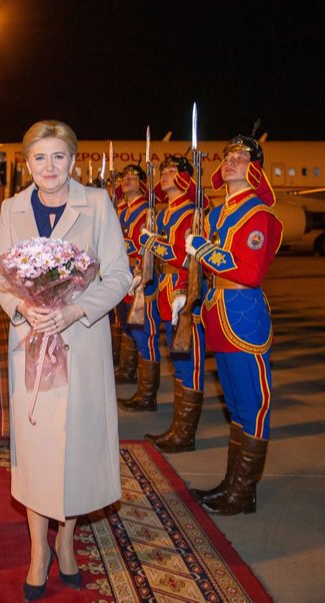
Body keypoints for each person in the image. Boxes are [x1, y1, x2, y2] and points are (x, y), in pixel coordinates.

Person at [0, 120, 130, 599]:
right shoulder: (12, 208)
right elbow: (1, 277)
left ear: (73, 161)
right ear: (27, 163)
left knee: (74, 452)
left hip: (80, 346)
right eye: (39, 158)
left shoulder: (97, 204)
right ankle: (38, 550)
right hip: (31, 345)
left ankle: (67, 541)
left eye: (58, 157)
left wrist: (73, 310)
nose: (49, 168)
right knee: (35, 453)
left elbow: (118, 277)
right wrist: (23, 307)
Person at [186, 135, 281, 514]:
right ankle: (234, 486)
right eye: (227, 156)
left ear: (255, 168)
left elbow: (251, 270)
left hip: (243, 314)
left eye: (241, 157)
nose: (231, 162)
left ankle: (243, 492)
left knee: (254, 404)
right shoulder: (217, 212)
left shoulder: (259, 214)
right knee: (237, 407)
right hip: (218, 312)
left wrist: (203, 248)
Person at [122, 155, 207, 453]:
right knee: (176, 356)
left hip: (183, 289)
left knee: (188, 360)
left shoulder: (188, 213)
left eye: (173, 171)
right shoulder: (166, 212)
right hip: (164, 287)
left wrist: (151, 243)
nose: (166, 175)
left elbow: (185, 257)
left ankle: (185, 434)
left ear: (186, 177)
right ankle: (177, 429)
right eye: (164, 171)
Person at [113, 164, 149, 385]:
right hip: (119, 270)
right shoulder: (120, 208)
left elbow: (140, 245)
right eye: (124, 177)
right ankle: (127, 370)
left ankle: (143, 383)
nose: (126, 181)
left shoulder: (144, 210)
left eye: (133, 178)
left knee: (137, 325)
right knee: (124, 321)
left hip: (134, 270)